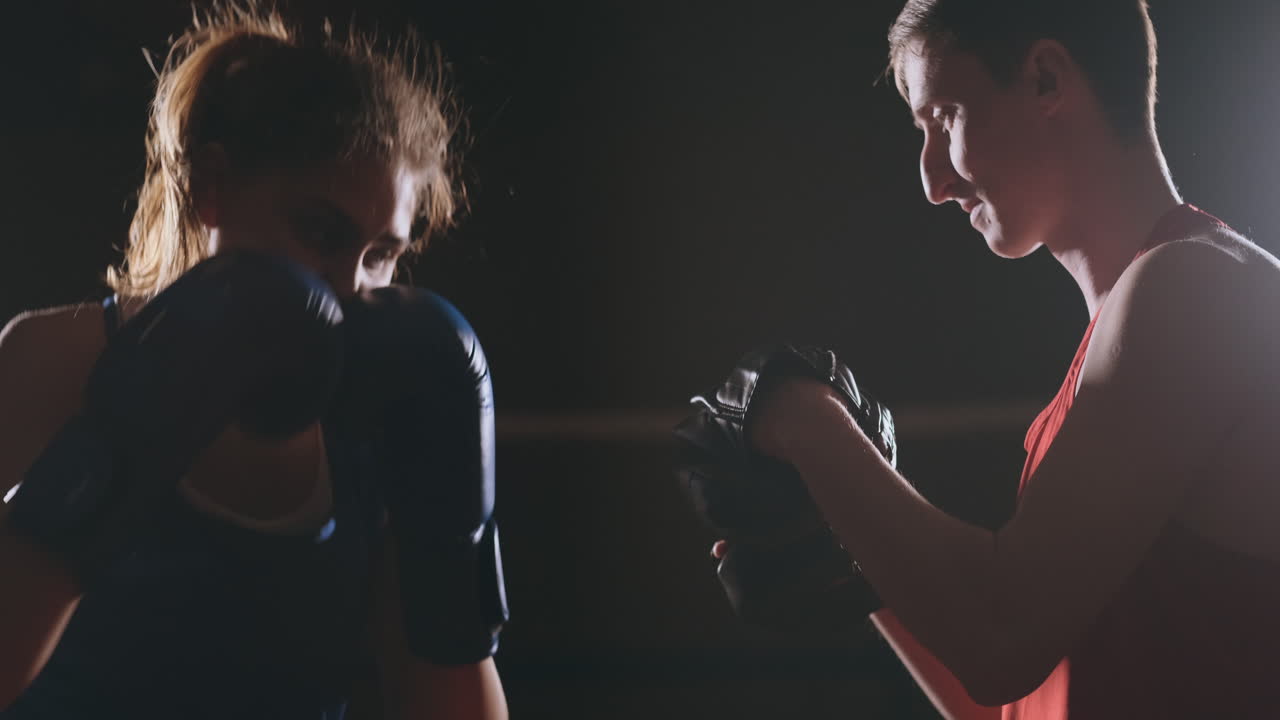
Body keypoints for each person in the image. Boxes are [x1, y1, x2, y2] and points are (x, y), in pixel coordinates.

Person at [685, 1, 1280, 718]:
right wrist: (863, 558)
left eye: (944, 119)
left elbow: (1000, 638)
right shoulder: (1127, 341)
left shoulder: (1193, 288)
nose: (933, 180)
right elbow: (1015, 698)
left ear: (1044, 78)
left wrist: (807, 421)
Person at [0, 2, 509, 718]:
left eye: (380, 255)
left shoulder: (388, 410)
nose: (347, 286)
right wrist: (111, 450)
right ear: (212, 188)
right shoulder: (55, 360)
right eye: (319, 230)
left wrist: (451, 549)